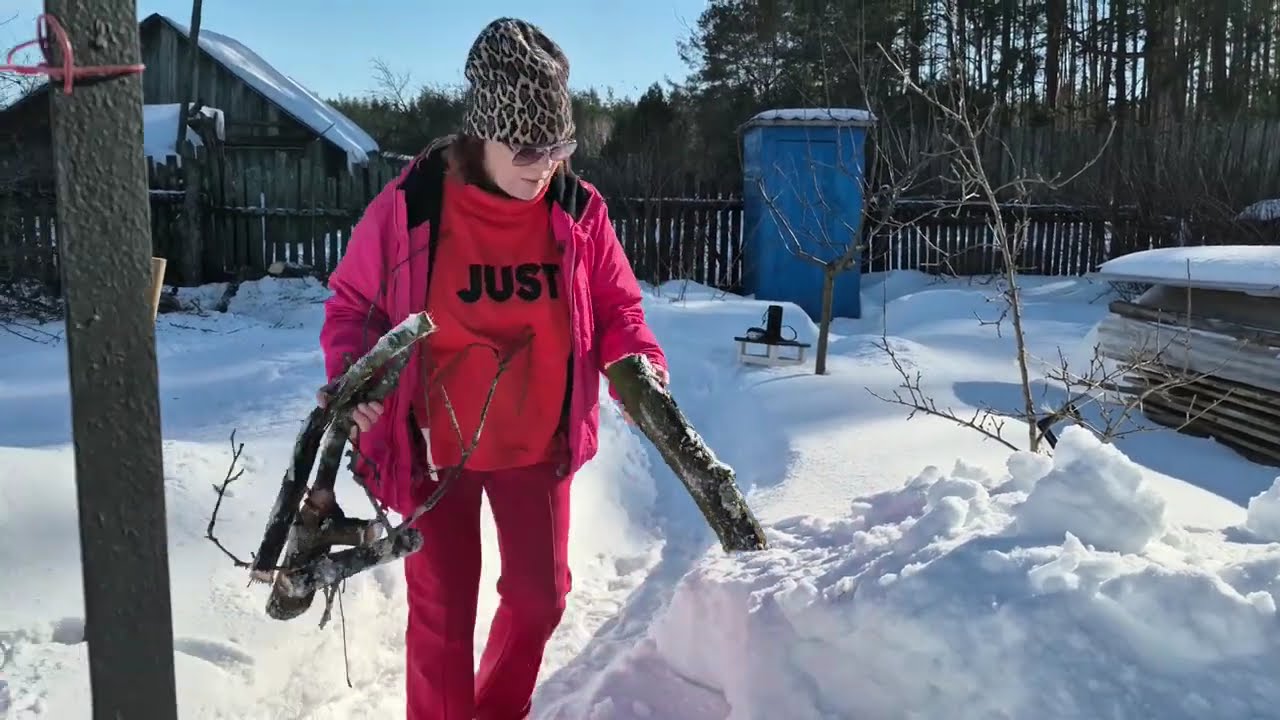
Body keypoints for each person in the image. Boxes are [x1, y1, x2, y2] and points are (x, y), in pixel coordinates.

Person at [316, 16, 669, 720]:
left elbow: (617, 308)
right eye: (528, 148)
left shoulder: (578, 210)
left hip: (535, 445)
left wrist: (638, 363)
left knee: (542, 600)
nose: (545, 165)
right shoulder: (413, 205)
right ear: (484, 133)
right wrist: (358, 375)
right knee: (443, 616)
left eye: (559, 147)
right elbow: (353, 302)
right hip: (435, 446)